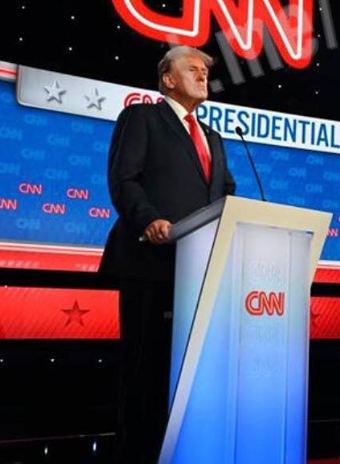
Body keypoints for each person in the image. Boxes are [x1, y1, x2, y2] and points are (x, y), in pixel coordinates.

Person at [99, 46, 236, 464]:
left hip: (198, 270)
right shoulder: (142, 117)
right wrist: (149, 220)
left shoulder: (214, 137)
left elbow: (225, 192)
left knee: (187, 373)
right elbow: (124, 178)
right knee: (145, 371)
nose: (202, 75)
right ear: (168, 79)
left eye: (204, 70)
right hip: (151, 263)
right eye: (191, 69)